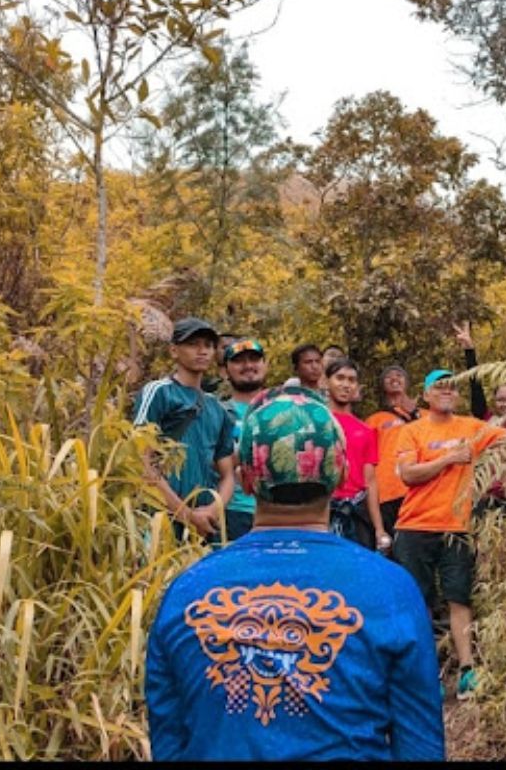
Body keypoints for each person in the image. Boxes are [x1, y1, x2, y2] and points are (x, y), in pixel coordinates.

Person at [145, 387, 445, 761]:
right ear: (342, 473)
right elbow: (421, 746)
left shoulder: (185, 592)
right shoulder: (391, 589)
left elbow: (168, 743)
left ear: (244, 479)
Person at [394, 369, 506, 700]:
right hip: (414, 527)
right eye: (439, 387)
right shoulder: (412, 431)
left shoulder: (471, 427)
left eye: (451, 387)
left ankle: (467, 671)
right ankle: (427, 674)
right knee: (420, 600)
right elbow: (408, 475)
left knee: (460, 598)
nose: (446, 391)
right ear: (426, 396)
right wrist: (449, 458)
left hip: (456, 527)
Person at [133, 317, 236, 545]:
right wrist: (186, 515)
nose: (202, 351)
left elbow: (228, 473)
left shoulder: (216, 407)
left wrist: (211, 510)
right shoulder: (159, 392)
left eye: (208, 345)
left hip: (204, 525)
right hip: (159, 518)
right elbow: (142, 461)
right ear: (173, 351)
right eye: (193, 344)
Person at [453, 322, 506, 517]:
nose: (505, 404)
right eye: (500, 400)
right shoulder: (488, 421)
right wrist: (469, 350)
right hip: (489, 499)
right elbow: (476, 390)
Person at [324, 357, 390, 553]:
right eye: (340, 378)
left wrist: (379, 529)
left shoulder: (366, 430)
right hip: (323, 509)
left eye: (351, 380)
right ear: (326, 382)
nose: (346, 385)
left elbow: (370, 481)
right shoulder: (317, 422)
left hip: (356, 511)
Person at [219, 337, 269, 542]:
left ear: (265, 365)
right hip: (232, 511)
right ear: (224, 371)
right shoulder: (217, 413)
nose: (248, 365)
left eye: (254, 359)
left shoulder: (281, 410)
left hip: (277, 514)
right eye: (239, 361)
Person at [365, 365, 420, 537]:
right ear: (382, 385)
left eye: (399, 375)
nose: (394, 378)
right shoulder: (374, 420)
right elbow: (367, 461)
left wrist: (414, 415)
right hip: (388, 493)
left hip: (419, 492)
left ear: (407, 382)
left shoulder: (426, 414)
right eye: (389, 376)